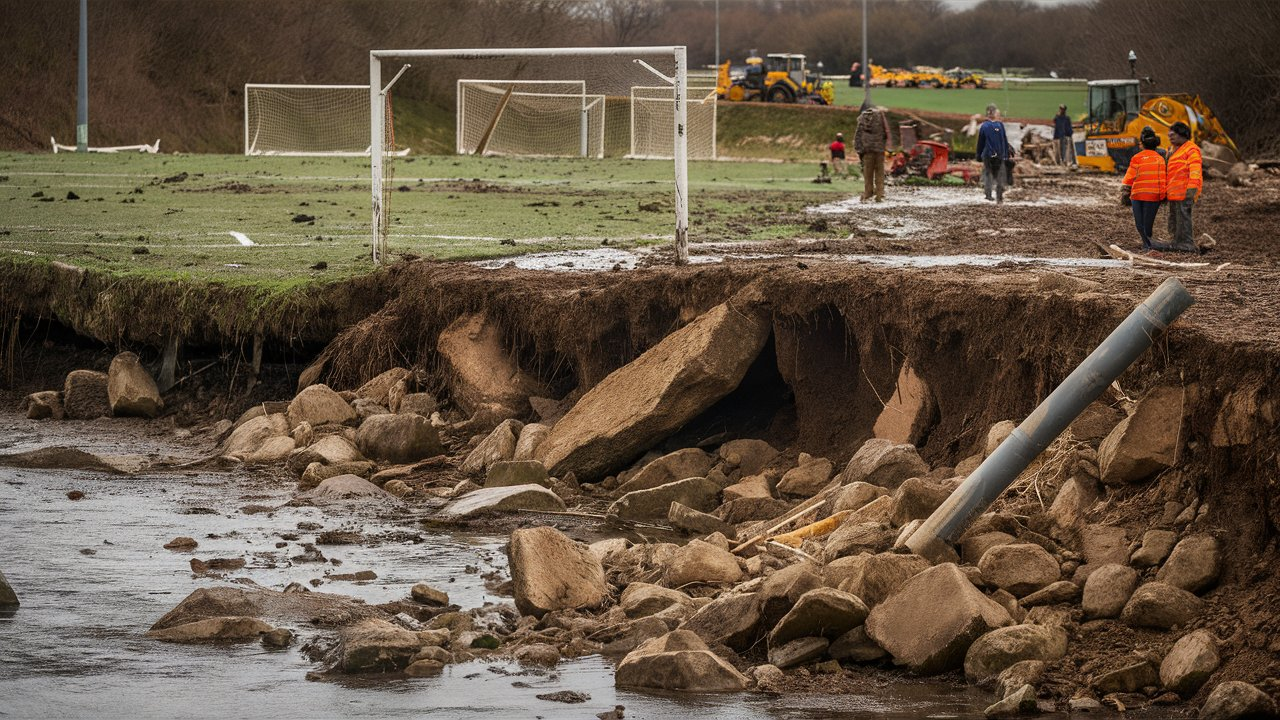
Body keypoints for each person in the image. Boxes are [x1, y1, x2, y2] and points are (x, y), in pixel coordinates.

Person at [1120, 131, 1167, 250]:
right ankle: (1148, 243)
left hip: (1137, 195)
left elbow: (1129, 177)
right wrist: (1162, 195)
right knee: (1148, 223)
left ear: (1142, 145)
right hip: (1153, 196)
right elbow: (1162, 178)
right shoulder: (1160, 159)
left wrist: (1125, 190)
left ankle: (1147, 244)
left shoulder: (1136, 157)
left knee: (1139, 223)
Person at [1163, 121, 1202, 252]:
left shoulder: (1191, 149)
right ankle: (1177, 242)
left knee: (1184, 218)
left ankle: (1186, 243)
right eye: (1169, 135)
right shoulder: (1172, 151)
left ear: (1183, 135)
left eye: (1173, 135)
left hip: (1185, 191)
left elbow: (1195, 170)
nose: (1170, 137)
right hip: (1174, 193)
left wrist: (1192, 189)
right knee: (1175, 218)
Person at [854, 102, 891, 201]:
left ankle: (867, 193)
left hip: (867, 150)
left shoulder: (861, 118)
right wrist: (885, 145)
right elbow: (886, 132)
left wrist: (858, 150)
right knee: (879, 173)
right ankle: (880, 195)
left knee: (868, 173)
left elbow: (858, 135)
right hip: (879, 150)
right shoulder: (881, 117)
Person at [976, 103, 1010, 204]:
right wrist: (1006, 154)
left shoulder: (984, 126)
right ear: (993, 113)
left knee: (988, 174)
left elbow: (980, 142)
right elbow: (1004, 140)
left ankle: (988, 195)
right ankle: (999, 198)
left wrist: (978, 155)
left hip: (987, 155)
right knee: (1000, 175)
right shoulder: (1000, 125)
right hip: (999, 155)